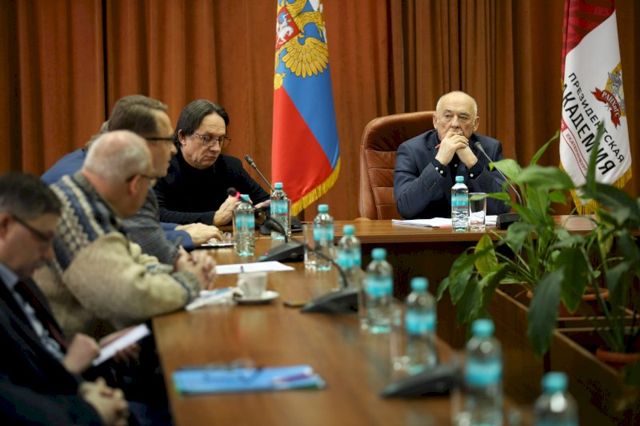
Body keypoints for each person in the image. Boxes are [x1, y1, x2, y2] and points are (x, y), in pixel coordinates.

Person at [33, 130, 216, 339]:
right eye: (150, 185)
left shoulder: (90, 198)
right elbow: (127, 296)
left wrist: (177, 270)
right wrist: (189, 282)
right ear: (136, 185)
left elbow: (131, 259)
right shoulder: (74, 209)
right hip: (66, 350)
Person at [0, 172, 128, 425]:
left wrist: (97, 355)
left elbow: (45, 354)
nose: (49, 256)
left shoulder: (21, 280)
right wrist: (91, 410)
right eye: (43, 239)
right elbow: (12, 402)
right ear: (5, 226)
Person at [42, 95, 222, 263]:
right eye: (167, 140)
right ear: (136, 143)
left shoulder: (99, 169)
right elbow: (137, 241)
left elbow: (134, 225)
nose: (173, 149)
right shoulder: (91, 181)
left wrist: (177, 228)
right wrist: (186, 237)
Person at [394, 91, 510, 219]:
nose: (455, 124)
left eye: (463, 117)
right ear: (435, 121)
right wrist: (439, 163)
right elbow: (405, 208)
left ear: (475, 124)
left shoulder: (489, 149)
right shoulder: (411, 150)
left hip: (474, 231)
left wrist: (473, 164)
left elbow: (502, 207)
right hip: (426, 231)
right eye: (448, 116)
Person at [154, 99, 270, 226]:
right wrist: (214, 218)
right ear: (182, 137)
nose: (216, 148)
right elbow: (155, 215)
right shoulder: (160, 167)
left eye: (220, 139)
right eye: (206, 138)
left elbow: (267, 204)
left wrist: (258, 212)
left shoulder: (230, 167)